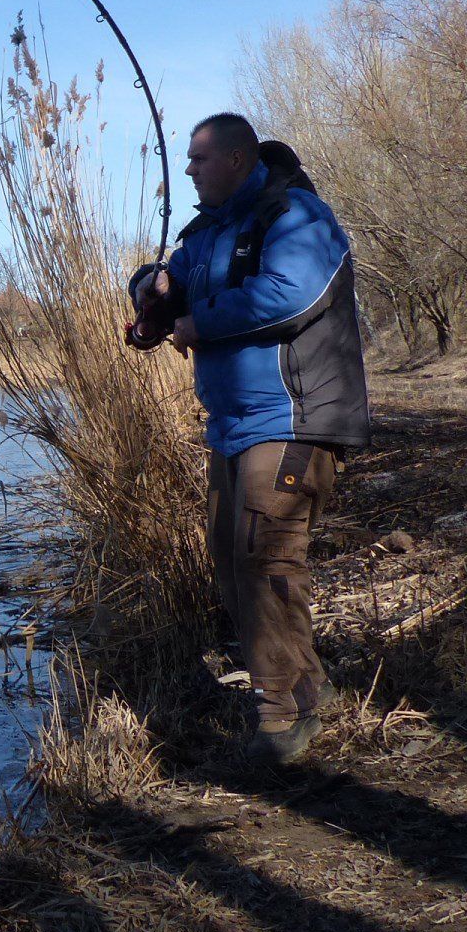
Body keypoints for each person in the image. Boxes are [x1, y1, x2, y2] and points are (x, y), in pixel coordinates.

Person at [129, 113, 370, 764]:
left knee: (266, 558)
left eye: (200, 158)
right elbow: (173, 278)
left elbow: (290, 296)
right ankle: (311, 691)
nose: (188, 169)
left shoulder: (298, 217)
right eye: (187, 158)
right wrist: (152, 295)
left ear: (237, 160)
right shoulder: (208, 233)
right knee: (235, 562)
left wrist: (198, 322)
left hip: (294, 418)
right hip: (233, 425)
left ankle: (279, 721)